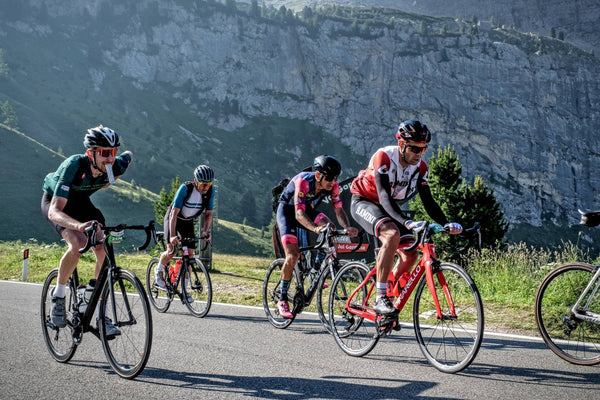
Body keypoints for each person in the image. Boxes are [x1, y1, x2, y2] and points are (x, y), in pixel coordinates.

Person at [350, 120, 463, 315]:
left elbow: (428, 201)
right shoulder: (383, 157)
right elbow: (384, 197)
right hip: (364, 201)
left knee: (411, 253)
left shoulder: (420, 168)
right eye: (413, 149)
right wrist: (407, 222)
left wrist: (446, 224)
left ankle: (389, 285)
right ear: (401, 144)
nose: (418, 154)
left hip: (388, 207)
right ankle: (380, 297)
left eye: (423, 149)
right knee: (391, 234)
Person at [42, 125, 133, 335]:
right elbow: (54, 212)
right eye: (104, 153)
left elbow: (129, 155)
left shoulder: (115, 165)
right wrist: (78, 226)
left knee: (104, 247)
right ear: (90, 153)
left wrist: (112, 178)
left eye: (113, 152)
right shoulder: (74, 165)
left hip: (81, 202)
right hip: (56, 203)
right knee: (79, 242)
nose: (110, 158)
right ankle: (59, 294)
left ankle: (96, 302)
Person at [274, 155, 359, 318]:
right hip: (288, 212)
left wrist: (347, 227)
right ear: (318, 175)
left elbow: (339, 211)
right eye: (329, 178)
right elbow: (299, 214)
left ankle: (314, 272)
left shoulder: (333, 187)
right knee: (292, 255)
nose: (332, 182)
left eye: (335, 178)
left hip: (306, 210)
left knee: (330, 228)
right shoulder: (304, 182)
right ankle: (283, 299)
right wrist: (315, 229)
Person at [154, 165, 215, 302]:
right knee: (172, 251)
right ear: (196, 181)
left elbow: (209, 213)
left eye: (209, 184)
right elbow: (173, 214)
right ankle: (159, 270)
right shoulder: (185, 189)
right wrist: (172, 236)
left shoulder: (211, 191)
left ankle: (185, 291)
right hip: (174, 219)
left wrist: (205, 231)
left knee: (190, 255)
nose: (206, 187)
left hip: (187, 222)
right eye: (203, 184)